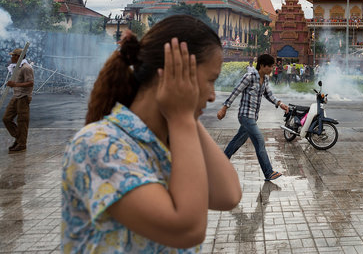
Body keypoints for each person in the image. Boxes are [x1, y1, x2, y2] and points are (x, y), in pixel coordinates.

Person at [61, 15, 242, 253]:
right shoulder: (99, 144)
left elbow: (228, 195)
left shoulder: (167, 140)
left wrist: (184, 116)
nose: (212, 96)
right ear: (170, 75)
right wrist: (182, 118)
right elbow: (187, 229)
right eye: (210, 80)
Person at [218, 54, 289, 181]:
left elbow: (269, 95)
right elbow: (236, 91)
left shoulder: (265, 79)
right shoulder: (249, 77)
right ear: (262, 65)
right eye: (270, 66)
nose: (272, 69)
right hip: (245, 116)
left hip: (253, 117)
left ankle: (221, 163)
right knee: (260, 140)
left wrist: (280, 103)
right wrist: (224, 107)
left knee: (238, 141)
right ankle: (268, 172)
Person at [2, 48, 34, 153]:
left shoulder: (26, 68)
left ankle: (21, 144)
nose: (11, 57)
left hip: (23, 97)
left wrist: (15, 84)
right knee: (6, 118)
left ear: (18, 57)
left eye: (13, 55)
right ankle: (19, 138)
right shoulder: (16, 67)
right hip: (16, 96)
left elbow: (30, 83)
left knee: (22, 121)